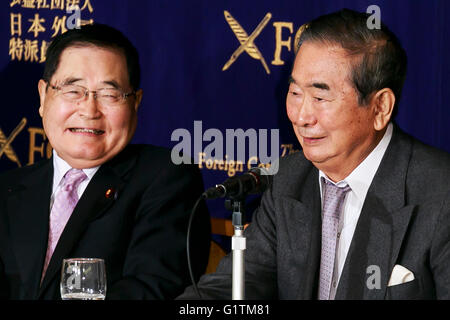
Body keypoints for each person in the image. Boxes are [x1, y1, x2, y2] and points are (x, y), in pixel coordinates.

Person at [178, 9, 450, 300]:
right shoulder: (286, 179)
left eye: (320, 98)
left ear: (380, 107)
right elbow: (235, 288)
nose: (301, 116)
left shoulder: (440, 193)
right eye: (295, 93)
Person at [0, 23, 211, 300]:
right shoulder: (8, 189)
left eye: (109, 94)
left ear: (135, 103)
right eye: (73, 90)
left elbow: (152, 288)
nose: (89, 110)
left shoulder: (167, 179)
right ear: (42, 96)